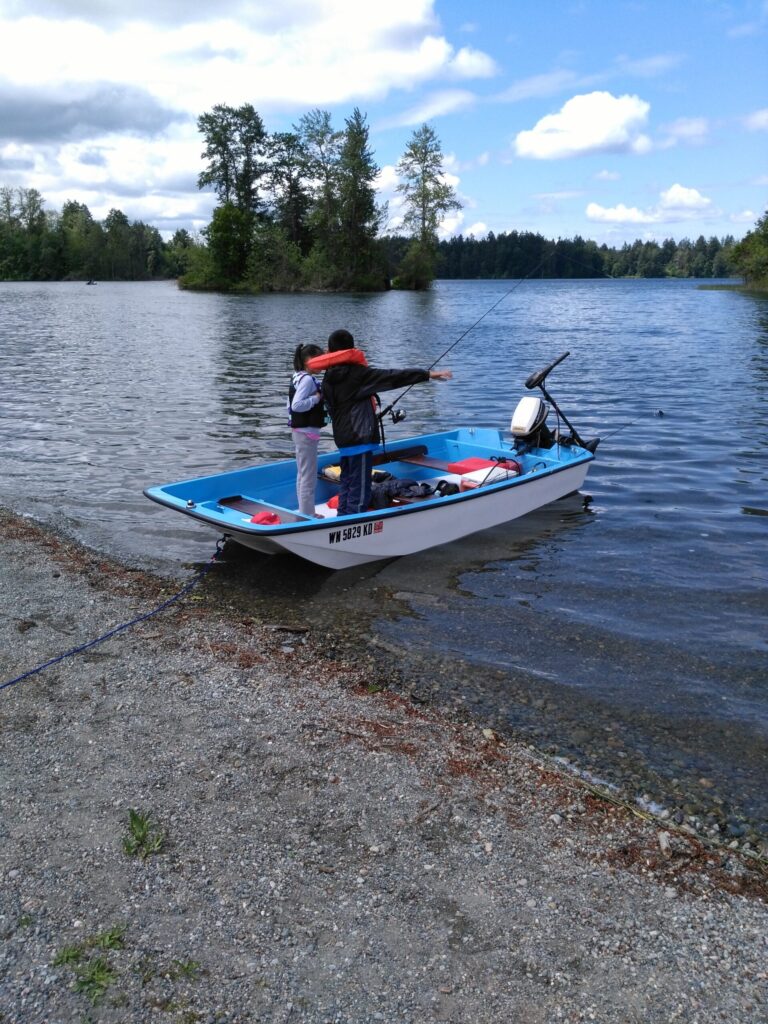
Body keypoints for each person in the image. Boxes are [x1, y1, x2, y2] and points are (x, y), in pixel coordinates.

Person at [307, 329, 452, 516]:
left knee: (348, 481)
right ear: (351, 349)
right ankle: (353, 521)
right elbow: (394, 377)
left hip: (342, 438)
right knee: (360, 485)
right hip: (359, 437)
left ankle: (343, 514)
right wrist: (428, 375)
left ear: (331, 351)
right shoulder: (358, 374)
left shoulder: (328, 378)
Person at [288, 342, 325, 517]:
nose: (324, 363)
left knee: (302, 474)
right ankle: (308, 515)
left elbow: (289, 404)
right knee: (308, 477)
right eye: (320, 359)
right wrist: (316, 399)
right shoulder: (308, 380)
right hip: (307, 432)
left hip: (299, 432)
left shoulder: (297, 376)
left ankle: (305, 511)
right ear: (309, 360)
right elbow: (296, 405)